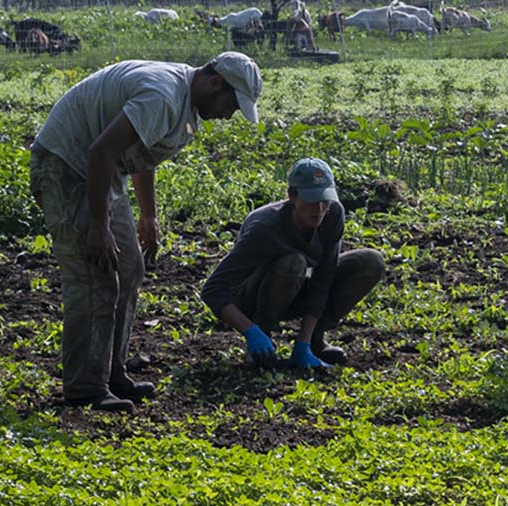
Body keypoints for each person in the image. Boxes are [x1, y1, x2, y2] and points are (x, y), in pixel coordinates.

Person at [31, 54, 262, 410]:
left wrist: (149, 215)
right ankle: (85, 387)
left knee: (129, 268)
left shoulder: (184, 102)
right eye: (232, 104)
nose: (230, 114)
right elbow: (101, 149)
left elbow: (141, 150)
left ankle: (112, 373)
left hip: (105, 173)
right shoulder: (163, 94)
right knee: (96, 274)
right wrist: (98, 225)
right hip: (67, 165)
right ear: (214, 83)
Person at [202, 158, 386, 369]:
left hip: (299, 286)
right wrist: (252, 332)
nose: (319, 208)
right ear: (292, 196)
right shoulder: (264, 227)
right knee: (293, 262)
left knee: (370, 262)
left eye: (324, 199)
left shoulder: (333, 213)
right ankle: (264, 341)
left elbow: (323, 278)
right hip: (254, 297)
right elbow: (213, 289)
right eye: (311, 200)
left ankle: (313, 340)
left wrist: (304, 340)